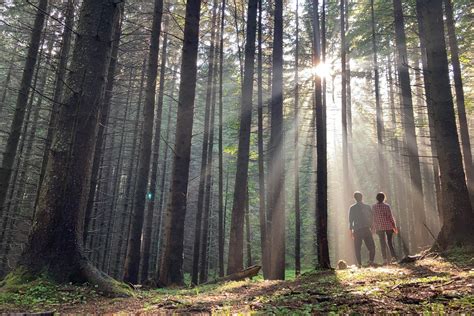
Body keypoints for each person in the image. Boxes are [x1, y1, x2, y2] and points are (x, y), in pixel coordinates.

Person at [349, 191, 375, 268]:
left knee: (357, 248)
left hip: (357, 230)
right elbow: (371, 217)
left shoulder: (352, 208)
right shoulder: (367, 207)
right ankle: (371, 261)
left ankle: (359, 264)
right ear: (362, 197)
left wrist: (351, 231)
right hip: (366, 229)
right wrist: (372, 227)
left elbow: (351, 220)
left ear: (355, 198)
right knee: (372, 247)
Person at [372, 192, 398, 265]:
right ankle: (393, 258)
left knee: (382, 243)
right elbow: (390, 217)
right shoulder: (387, 206)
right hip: (388, 227)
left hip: (379, 228)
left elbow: (373, 218)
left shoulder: (374, 207)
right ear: (384, 198)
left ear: (377, 198)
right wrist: (394, 226)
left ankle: (385, 260)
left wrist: (373, 228)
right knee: (390, 243)